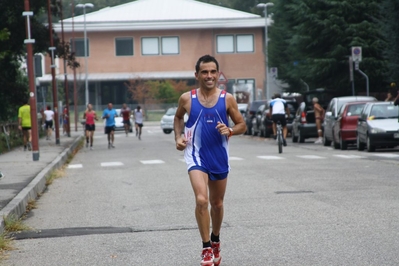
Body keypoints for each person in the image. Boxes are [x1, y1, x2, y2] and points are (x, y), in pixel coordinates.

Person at [173, 55, 246, 266]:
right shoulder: (187, 99)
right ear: (197, 75)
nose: (209, 76)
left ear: (218, 74)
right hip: (195, 155)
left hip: (219, 156)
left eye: (213, 71)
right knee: (202, 200)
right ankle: (206, 247)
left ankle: (215, 239)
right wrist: (178, 137)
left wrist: (231, 130)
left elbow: (242, 125)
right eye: (204, 72)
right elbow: (178, 117)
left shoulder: (227, 99)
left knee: (217, 203)